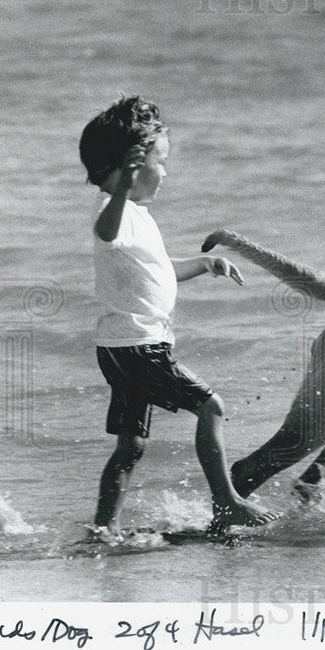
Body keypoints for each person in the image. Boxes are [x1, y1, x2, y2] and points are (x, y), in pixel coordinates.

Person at [80, 95, 274, 538]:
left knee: (131, 447)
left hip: (120, 345)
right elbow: (105, 234)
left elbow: (157, 271)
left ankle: (103, 530)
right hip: (139, 345)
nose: (165, 173)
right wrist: (125, 187)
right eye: (160, 162)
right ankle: (227, 502)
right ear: (130, 164)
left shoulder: (135, 215)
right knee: (212, 407)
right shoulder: (115, 210)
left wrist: (204, 265)